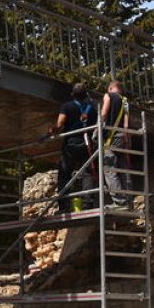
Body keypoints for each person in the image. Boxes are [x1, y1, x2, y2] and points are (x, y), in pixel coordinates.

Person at [53, 83, 97, 213]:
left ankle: (64, 206)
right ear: (85, 95)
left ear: (72, 94)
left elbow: (60, 124)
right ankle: (87, 204)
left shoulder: (67, 106)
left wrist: (50, 131)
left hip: (70, 143)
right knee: (87, 174)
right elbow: (96, 125)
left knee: (64, 174)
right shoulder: (91, 109)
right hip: (86, 143)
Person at [100, 80, 131, 209]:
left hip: (111, 137)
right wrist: (127, 140)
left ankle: (119, 202)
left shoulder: (108, 95)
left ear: (111, 88)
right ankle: (128, 200)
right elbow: (126, 123)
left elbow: (104, 114)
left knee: (109, 169)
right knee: (123, 168)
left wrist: (97, 129)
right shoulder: (125, 101)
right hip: (122, 137)